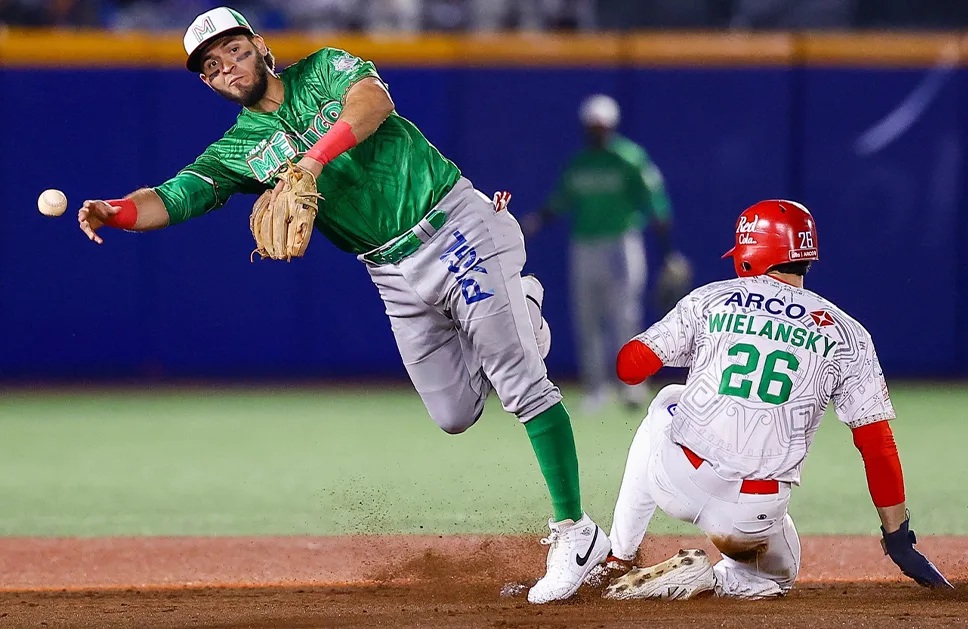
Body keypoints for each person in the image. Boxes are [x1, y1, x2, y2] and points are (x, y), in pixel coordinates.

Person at [75, 6, 609, 604]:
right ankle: (520, 310)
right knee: (454, 414)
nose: (229, 67)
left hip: (453, 226)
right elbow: (176, 196)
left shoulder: (325, 69)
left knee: (521, 383)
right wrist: (116, 212)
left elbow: (373, 103)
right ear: (207, 81)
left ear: (261, 46)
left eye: (235, 51)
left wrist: (312, 159)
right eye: (213, 66)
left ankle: (577, 532)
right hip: (389, 270)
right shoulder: (237, 150)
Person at [593, 199, 951, 599]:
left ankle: (619, 556)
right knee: (777, 575)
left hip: (678, 478)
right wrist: (898, 541)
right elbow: (877, 445)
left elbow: (629, 368)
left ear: (749, 253)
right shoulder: (849, 334)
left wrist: (674, 325)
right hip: (750, 515)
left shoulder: (710, 299)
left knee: (667, 401)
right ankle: (711, 578)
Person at [523, 94, 676, 413]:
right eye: (593, 127)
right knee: (588, 317)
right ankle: (595, 389)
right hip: (585, 244)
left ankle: (632, 385)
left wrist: (667, 250)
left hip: (621, 241)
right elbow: (560, 201)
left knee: (625, 314)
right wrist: (537, 221)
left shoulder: (629, 158)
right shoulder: (578, 163)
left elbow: (656, 201)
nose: (597, 132)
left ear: (612, 127)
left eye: (602, 127)